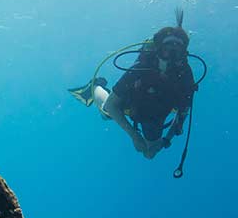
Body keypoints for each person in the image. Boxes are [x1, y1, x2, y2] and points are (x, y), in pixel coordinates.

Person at [70, 10, 197, 159]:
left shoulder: (185, 77)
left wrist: (167, 140)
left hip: (157, 114)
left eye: (176, 52)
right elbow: (112, 105)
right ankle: (95, 87)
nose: (171, 58)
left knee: (149, 153)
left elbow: (183, 113)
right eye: (167, 51)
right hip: (132, 104)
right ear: (158, 51)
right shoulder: (141, 68)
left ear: (183, 55)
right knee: (107, 112)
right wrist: (134, 136)